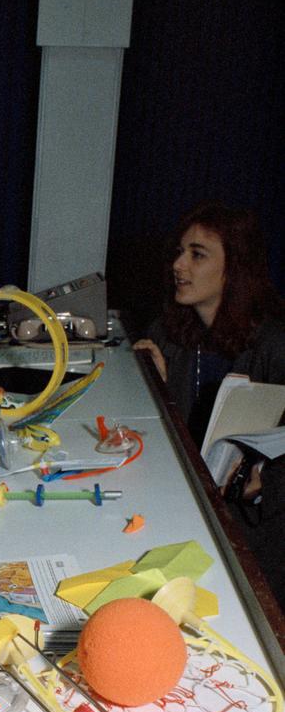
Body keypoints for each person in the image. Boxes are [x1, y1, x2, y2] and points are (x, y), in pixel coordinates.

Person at [133, 202, 285, 604]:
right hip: (187, 506)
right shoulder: (167, 334)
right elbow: (165, 446)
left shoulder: (275, 345)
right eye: (180, 252)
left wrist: (266, 483)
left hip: (257, 529)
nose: (178, 266)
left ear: (234, 267)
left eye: (197, 255)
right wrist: (152, 390)